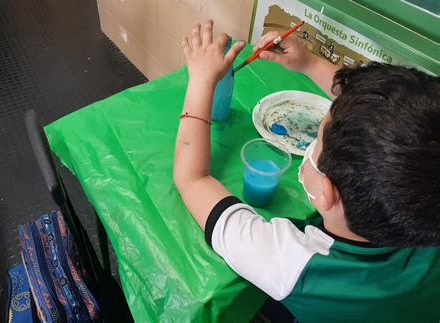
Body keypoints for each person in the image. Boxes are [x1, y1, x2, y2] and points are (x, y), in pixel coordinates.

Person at [173, 20, 440, 322]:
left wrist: (201, 80)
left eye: (317, 138)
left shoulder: (291, 263)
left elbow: (192, 179)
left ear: (325, 192)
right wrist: (309, 63)